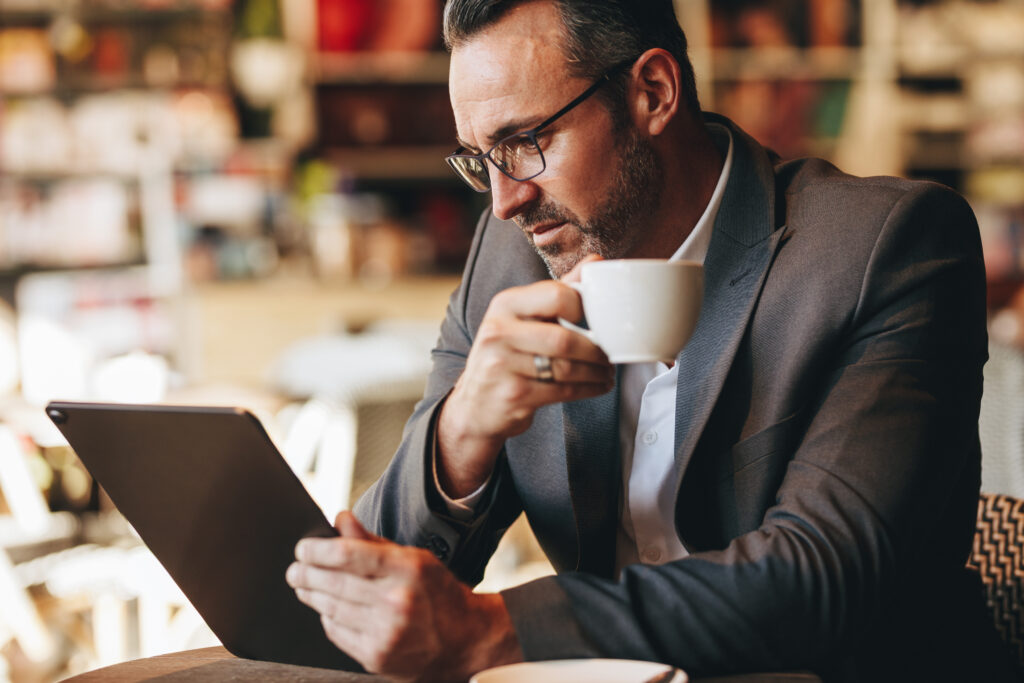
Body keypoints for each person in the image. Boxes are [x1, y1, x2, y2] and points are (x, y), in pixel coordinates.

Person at [285, 1, 1017, 680]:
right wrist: (460, 431)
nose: (503, 199)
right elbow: (375, 586)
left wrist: (491, 627)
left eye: (525, 141)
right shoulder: (514, 255)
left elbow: (824, 579)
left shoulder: (884, 250)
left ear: (655, 93)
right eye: (481, 157)